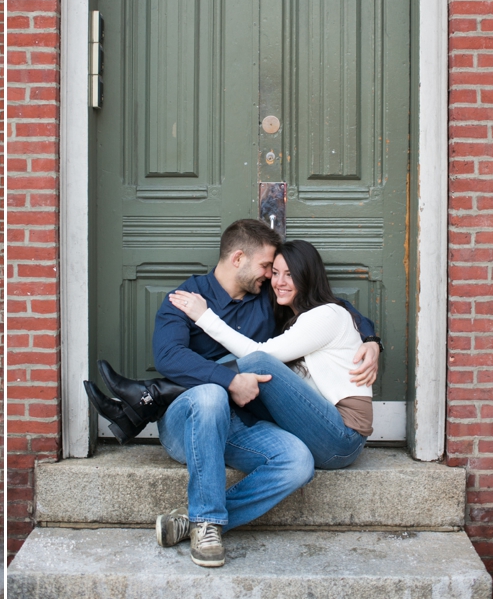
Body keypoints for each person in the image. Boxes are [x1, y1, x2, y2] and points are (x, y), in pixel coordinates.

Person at [84, 219, 381, 568]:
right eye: (268, 267)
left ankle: (146, 406)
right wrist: (228, 382)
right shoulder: (185, 299)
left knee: (298, 461)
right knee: (210, 394)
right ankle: (208, 520)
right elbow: (168, 356)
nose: (272, 277)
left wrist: (370, 338)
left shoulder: (267, 299)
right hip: (189, 419)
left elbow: (327, 305)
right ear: (238, 258)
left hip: (240, 424)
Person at [168, 238, 373, 471]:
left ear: (308, 276)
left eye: (290, 274)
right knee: (240, 372)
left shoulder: (327, 315)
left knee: (258, 364)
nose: (279, 282)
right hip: (318, 428)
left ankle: (164, 392)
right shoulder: (293, 320)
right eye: (275, 273)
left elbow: (258, 356)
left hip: (343, 435)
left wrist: (205, 317)